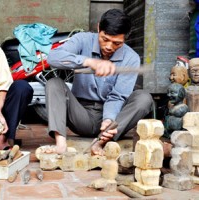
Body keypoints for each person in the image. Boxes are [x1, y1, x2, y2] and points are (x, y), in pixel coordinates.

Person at [45, 9, 153, 155]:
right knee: (54, 83)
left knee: (144, 98)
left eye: (117, 43)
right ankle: (61, 144)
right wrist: (88, 61)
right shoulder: (82, 39)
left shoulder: (131, 57)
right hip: (81, 115)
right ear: (98, 28)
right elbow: (53, 57)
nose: (109, 46)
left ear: (125, 39)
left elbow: (117, 97)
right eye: (105, 39)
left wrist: (109, 120)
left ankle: (100, 143)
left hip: (113, 123)